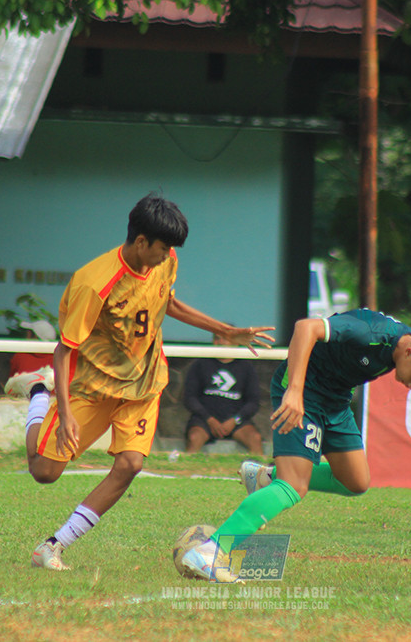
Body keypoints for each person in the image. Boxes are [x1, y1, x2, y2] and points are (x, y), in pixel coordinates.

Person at [28, 193, 275, 571]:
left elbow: (167, 303)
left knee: (129, 464)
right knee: (44, 473)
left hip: (143, 384)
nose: (168, 254)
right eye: (163, 247)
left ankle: (54, 545)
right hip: (92, 386)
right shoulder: (94, 284)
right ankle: (36, 395)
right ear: (141, 242)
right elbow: (64, 350)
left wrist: (227, 330)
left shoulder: (166, 260)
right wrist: (64, 415)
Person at [181, 308, 411, 582]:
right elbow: (305, 327)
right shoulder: (369, 332)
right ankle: (211, 550)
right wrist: (294, 391)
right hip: (303, 391)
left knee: (355, 481)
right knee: (295, 485)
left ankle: (266, 477)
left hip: (335, 402)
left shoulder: (401, 347)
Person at [183, 332, 263, 455]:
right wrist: (209, 419)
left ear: (236, 343)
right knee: (194, 437)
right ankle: (186, 471)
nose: (221, 342)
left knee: (255, 438)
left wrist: (235, 420)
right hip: (205, 420)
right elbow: (190, 398)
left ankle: (262, 472)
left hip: (236, 420)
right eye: (217, 338)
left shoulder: (246, 367)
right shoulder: (200, 364)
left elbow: (253, 402)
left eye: (226, 339)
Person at [4, 319, 57, 451]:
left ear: (33, 337)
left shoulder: (20, 356)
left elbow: (11, 383)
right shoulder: (59, 358)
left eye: (29, 333)